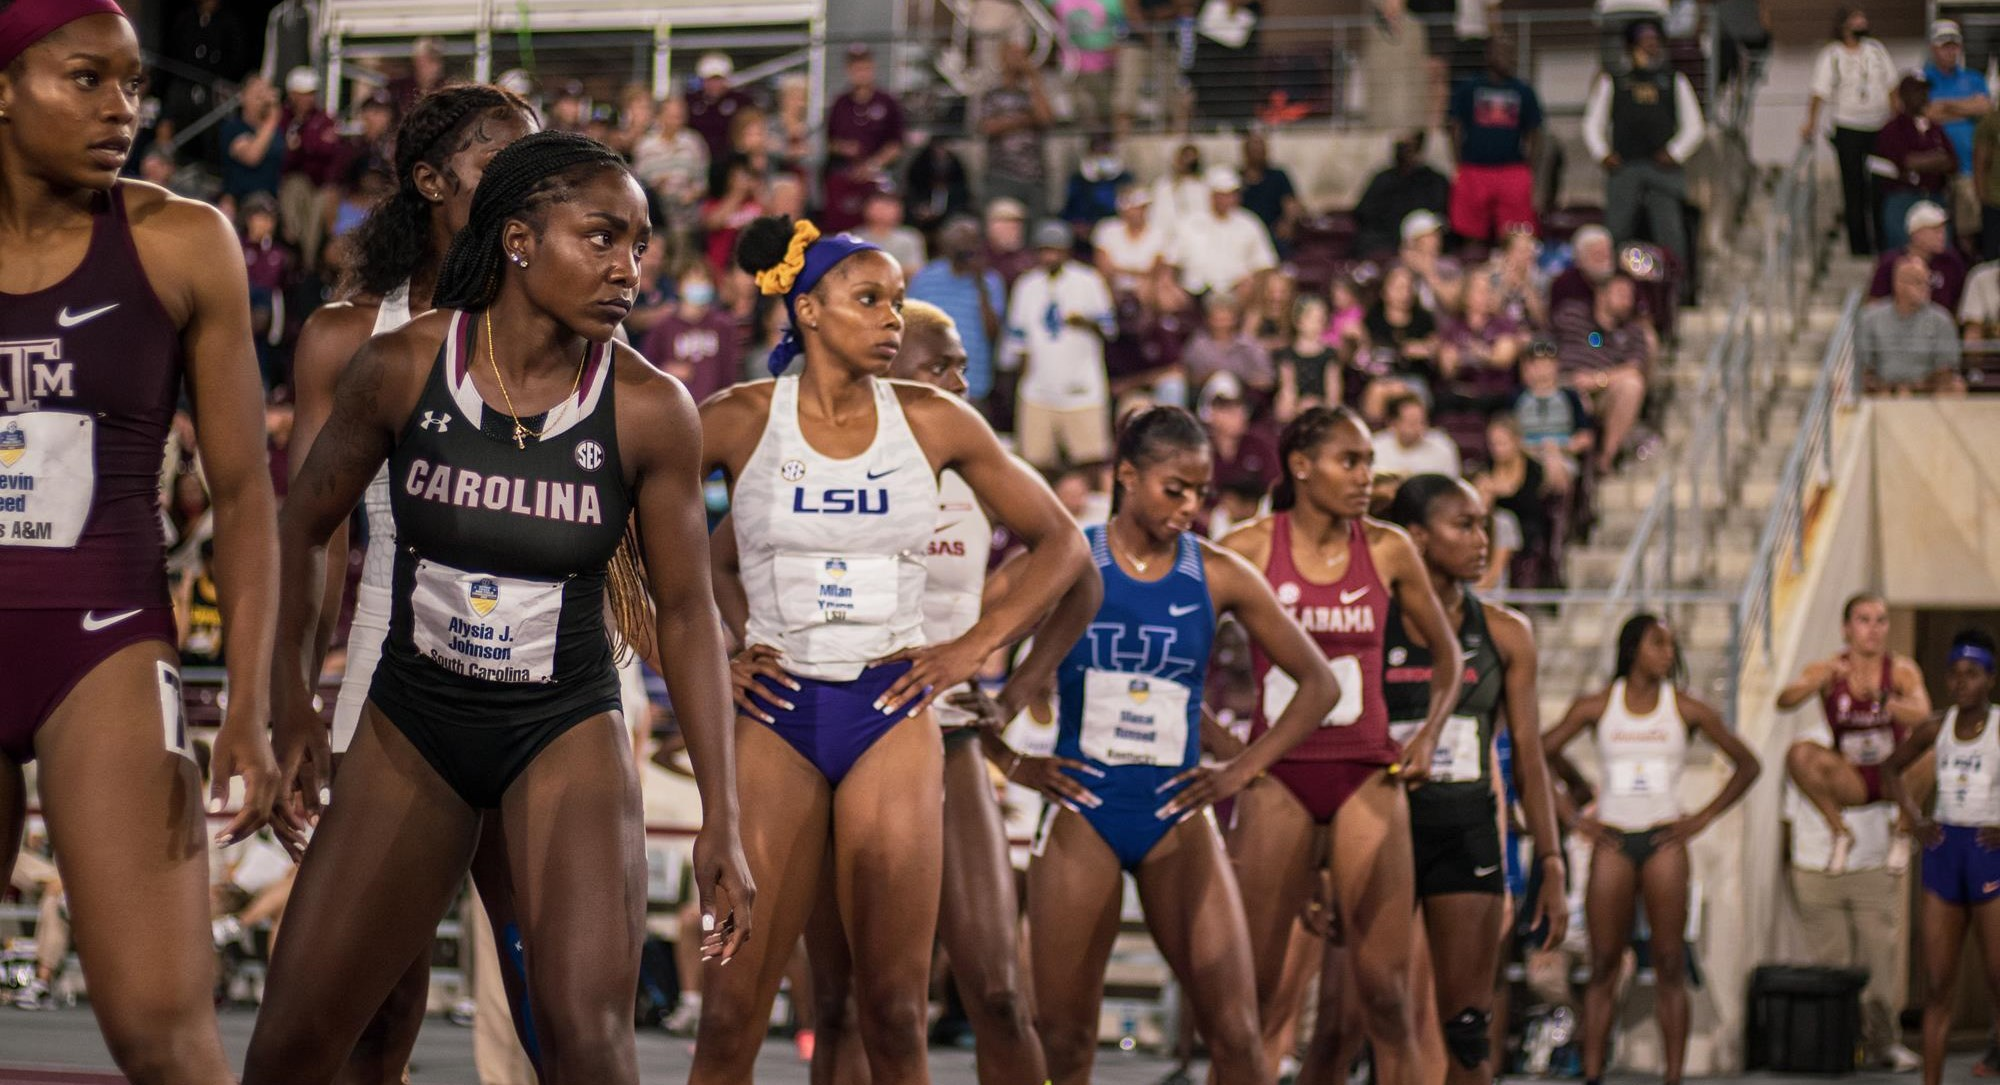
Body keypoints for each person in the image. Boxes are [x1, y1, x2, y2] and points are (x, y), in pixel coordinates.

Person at [246, 132, 754, 1084]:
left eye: (641, 245)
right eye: (602, 238)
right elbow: (304, 524)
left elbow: (687, 615)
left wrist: (724, 815)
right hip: (415, 717)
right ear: (519, 240)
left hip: (561, 724)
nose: (628, 269)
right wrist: (294, 704)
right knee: (291, 1043)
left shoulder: (650, 408)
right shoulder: (403, 366)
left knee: (586, 1045)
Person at [691, 214, 1090, 1082]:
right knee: (729, 1015)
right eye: (870, 299)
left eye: (899, 302)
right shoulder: (735, 418)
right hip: (778, 710)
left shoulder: (936, 421)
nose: (893, 319)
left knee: (897, 1012)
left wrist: (973, 650)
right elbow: (633, 537)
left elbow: (1063, 545)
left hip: (889, 711)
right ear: (807, 311)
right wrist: (714, 650)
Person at [0, 2, 286, 1078]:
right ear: (3, 89)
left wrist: (249, 703)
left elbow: (247, 491)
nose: (122, 106)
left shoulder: (180, 240)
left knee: (165, 1033)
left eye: (131, 83)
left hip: (105, 640)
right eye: (87, 79)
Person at [285, 82, 542, 1082]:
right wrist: (288, 698)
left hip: (543, 686)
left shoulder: (573, 328)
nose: (527, 186)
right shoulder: (347, 337)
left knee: (559, 996)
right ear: (430, 180)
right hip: (389, 680)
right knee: (375, 1005)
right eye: (499, 162)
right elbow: (308, 531)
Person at [985, 405, 1340, 1085]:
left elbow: (1319, 684)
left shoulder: (1220, 572)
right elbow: (960, 640)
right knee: (1063, 1039)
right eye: (1173, 488)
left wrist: (1239, 771)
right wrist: (1014, 763)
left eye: (1200, 492)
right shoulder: (1067, 556)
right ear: (1125, 476)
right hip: (1083, 806)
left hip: (1178, 809)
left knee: (1237, 1035)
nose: (1189, 507)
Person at [793, 300, 1070, 1085]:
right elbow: (721, 563)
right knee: (846, 1004)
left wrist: (996, 672)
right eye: (940, 362)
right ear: (886, 367)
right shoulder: (822, 452)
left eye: (962, 364)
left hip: (943, 736)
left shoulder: (979, 461)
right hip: (832, 731)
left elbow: (1072, 567)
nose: (960, 378)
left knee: (999, 992)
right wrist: (741, 647)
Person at [1219, 406, 1466, 1084]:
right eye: (1350, 460)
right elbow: (1187, 655)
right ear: (1301, 465)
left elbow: (1450, 659)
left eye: (1368, 462)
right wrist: (1234, 755)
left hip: (1366, 771)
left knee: (1386, 996)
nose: (1367, 476)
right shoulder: (1245, 546)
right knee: (1256, 997)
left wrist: (1428, 735)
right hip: (1279, 775)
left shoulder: (1387, 548)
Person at [1382, 474, 1570, 1085]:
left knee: (1467, 1030)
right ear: (1416, 536)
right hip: (1384, 835)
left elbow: (1530, 759)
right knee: (1385, 1020)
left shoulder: (1507, 632)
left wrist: (1551, 859)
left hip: (1466, 832)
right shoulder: (1372, 626)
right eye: (1463, 525)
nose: (1481, 539)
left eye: (1483, 525)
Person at [1543, 614, 1760, 1085]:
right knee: (1603, 964)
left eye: (1672, 645)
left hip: (1664, 839)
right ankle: (1594, 1073)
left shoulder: (1685, 708)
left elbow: (1748, 764)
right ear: (1632, 647)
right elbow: (1540, 751)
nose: (1668, 653)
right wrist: (1573, 814)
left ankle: (1674, 1076)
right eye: (1658, 643)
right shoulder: (1599, 705)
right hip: (1614, 839)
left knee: (1668, 962)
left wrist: (1701, 817)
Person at [1881, 629, 2000, 1085]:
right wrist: (1913, 815)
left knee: (1996, 979)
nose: (1960, 683)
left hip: (1986, 852)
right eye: (1954, 674)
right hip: (1945, 849)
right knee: (1937, 985)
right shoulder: (1936, 726)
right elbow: (1891, 767)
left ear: (1989, 679)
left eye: (1971, 674)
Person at [1777, 593, 1933, 870]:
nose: (1873, 629)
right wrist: (1821, 681)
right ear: (1846, 628)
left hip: (1893, 775)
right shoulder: (1827, 669)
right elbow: (1784, 701)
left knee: (1933, 751)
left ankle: (1902, 832)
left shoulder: (1900, 670)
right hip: (1851, 775)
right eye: (1864, 621)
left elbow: (1923, 714)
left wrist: (1883, 699)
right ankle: (1840, 832)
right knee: (1799, 754)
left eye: (1880, 621)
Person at [1581, 18, 1704, 289]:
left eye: (1654, 41)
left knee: (1670, 233)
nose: (1651, 46)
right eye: (1644, 41)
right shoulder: (1613, 80)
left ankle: (1676, 291)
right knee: (1617, 231)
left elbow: (1695, 126)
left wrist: (1675, 152)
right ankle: (1610, 287)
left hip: (1662, 172)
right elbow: (1592, 123)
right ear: (1631, 46)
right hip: (1625, 168)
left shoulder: (1674, 81)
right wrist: (1603, 154)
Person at [1006, 218, 1117, 471]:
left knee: (1090, 462)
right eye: (1044, 250)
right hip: (1038, 390)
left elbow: (1110, 330)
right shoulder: (1027, 285)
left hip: (1082, 389)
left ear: (1066, 251)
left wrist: (1085, 322)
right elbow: (1018, 343)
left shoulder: (1089, 281)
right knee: (1036, 465)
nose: (1049, 256)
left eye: (1055, 250)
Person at [1805, 6, 1895, 250]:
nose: (1862, 22)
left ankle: (1882, 241)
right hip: (1848, 127)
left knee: (1880, 185)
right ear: (1844, 24)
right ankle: (1859, 245)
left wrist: (1897, 119)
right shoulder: (1832, 55)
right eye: (1857, 18)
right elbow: (1818, 93)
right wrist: (1811, 122)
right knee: (1853, 186)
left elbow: (1892, 86)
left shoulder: (1876, 50)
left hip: (1878, 126)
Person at [1448, 38, 1544, 244]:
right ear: (1488, 55)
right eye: (1502, 52)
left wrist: (1529, 167)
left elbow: (1535, 130)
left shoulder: (1523, 91)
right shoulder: (1469, 88)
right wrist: (1458, 161)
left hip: (1511, 169)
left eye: (1511, 53)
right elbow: (1455, 126)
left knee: (1515, 233)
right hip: (1474, 168)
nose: (1508, 58)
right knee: (1470, 230)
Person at [1554, 273, 1652, 472]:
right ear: (1601, 295)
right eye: (1621, 294)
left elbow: (1633, 370)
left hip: (1603, 392)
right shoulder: (1571, 314)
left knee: (1632, 385)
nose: (1627, 301)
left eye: (1630, 296)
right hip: (1561, 383)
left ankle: (1606, 459)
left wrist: (1596, 380)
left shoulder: (1633, 332)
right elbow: (1545, 342)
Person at [908, 215, 1005, 406]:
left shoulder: (990, 282)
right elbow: (910, 329)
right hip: (929, 382)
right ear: (945, 245)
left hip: (973, 382)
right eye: (957, 243)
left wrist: (980, 284)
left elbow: (993, 333)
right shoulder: (925, 278)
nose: (963, 250)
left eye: (969, 243)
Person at [822, 44, 907, 234]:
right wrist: (844, 148)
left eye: (864, 67)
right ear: (848, 70)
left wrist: (873, 165)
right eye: (855, 68)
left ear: (872, 68)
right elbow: (830, 142)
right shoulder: (840, 103)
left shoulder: (887, 102)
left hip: (880, 172)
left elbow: (896, 144)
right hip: (846, 171)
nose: (860, 72)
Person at [1854, 256, 1965, 395]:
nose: (1925, 288)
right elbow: (1864, 365)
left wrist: (1915, 388)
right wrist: (1887, 388)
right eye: (1918, 282)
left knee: (1955, 387)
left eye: (1927, 282)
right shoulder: (1870, 318)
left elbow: (1946, 368)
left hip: (1927, 388)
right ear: (1898, 284)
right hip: (1883, 389)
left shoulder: (1942, 319)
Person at [1171, 166, 1279, 307]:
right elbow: (1171, 260)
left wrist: (1253, 282)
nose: (1227, 199)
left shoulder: (1249, 223)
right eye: (1221, 194)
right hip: (1194, 292)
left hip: (1235, 292)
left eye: (1231, 194)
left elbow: (1266, 264)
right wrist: (1171, 284)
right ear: (1211, 195)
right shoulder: (1190, 223)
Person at [1922, 21, 1992, 232]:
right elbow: (1927, 113)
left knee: (1969, 227)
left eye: (1954, 45)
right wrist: (1966, 107)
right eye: (1944, 46)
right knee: (1939, 227)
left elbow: (1984, 107)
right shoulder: (1924, 78)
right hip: (1935, 169)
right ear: (1933, 48)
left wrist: (1945, 105)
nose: (1950, 51)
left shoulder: (1974, 78)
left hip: (1968, 167)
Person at [1875, 76, 1958, 252]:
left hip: (1934, 196)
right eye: (1917, 91)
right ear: (1904, 96)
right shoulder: (1891, 129)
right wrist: (1937, 159)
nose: (1923, 96)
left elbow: (1951, 161)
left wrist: (1925, 160)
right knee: (1903, 250)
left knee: (1941, 249)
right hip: (1902, 198)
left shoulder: (1934, 128)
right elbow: (1906, 161)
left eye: (1925, 91)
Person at [642, 263, 741, 404]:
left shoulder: (723, 326)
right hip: (674, 408)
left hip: (714, 408)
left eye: (704, 280)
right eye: (692, 279)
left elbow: (730, 373)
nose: (699, 285)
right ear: (679, 286)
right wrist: (665, 371)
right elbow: (646, 369)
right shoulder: (663, 327)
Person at [977, 40, 1054, 218]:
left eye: (1022, 55)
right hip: (1002, 175)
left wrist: (1034, 78)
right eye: (1013, 55)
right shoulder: (992, 94)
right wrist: (1025, 119)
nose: (1018, 60)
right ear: (1002, 59)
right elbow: (988, 127)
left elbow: (1046, 119)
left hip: (1034, 176)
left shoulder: (1032, 94)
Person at [1353, 131, 1451, 259]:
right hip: (1386, 240)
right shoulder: (1382, 179)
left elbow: (1440, 216)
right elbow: (1363, 214)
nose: (1405, 152)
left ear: (1419, 148)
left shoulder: (1434, 181)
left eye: (1410, 147)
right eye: (1401, 147)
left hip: (1422, 240)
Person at [1867, 201, 1967, 313]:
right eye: (1935, 230)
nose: (1942, 235)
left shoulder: (1951, 261)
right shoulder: (1890, 263)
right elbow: (1874, 306)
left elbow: (1962, 302)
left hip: (1940, 326)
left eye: (1943, 229)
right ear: (1915, 234)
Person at [222, 73, 285, 211]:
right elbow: (252, 157)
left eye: (265, 91)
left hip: (270, 203)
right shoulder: (233, 128)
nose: (262, 98)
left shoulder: (277, 133)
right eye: (257, 93)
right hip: (242, 201)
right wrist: (271, 121)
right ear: (243, 97)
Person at [1372, 394, 1461, 478]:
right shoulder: (1375, 446)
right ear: (1392, 424)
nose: (1419, 428)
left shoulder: (1443, 446)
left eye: (1422, 422)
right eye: (1412, 423)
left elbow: (1451, 486)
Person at [688, 52, 756, 163]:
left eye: (718, 79)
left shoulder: (741, 101)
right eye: (710, 80)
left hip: (732, 159)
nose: (714, 84)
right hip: (698, 159)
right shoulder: (691, 102)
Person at [1060, 132, 1132, 235]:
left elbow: (1130, 208)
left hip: (1117, 228)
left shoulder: (1124, 179)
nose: (1101, 156)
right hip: (1085, 231)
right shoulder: (1078, 180)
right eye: (1097, 152)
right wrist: (1077, 224)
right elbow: (1070, 209)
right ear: (1090, 153)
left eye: (1105, 151)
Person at [1240, 132, 1302, 251]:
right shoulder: (1236, 178)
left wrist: (1287, 223)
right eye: (1253, 150)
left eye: (1261, 150)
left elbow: (1291, 204)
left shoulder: (1278, 176)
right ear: (1246, 153)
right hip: (1243, 231)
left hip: (1273, 232)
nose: (1257, 153)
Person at [854, 186, 926, 275]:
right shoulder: (855, 238)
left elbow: (916, 269)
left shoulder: (910, 237)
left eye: (890, 205)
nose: (884, 210)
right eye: (879, 205)